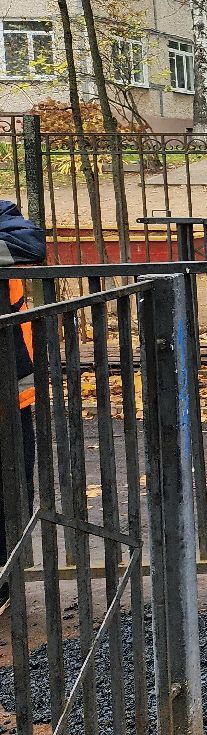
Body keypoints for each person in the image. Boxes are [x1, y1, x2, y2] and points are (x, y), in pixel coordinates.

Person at [0, 199, 43, 599]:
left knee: (10, 494)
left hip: (7, 395)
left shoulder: (2, 213)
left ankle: (4, 580)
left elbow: (31, 244)